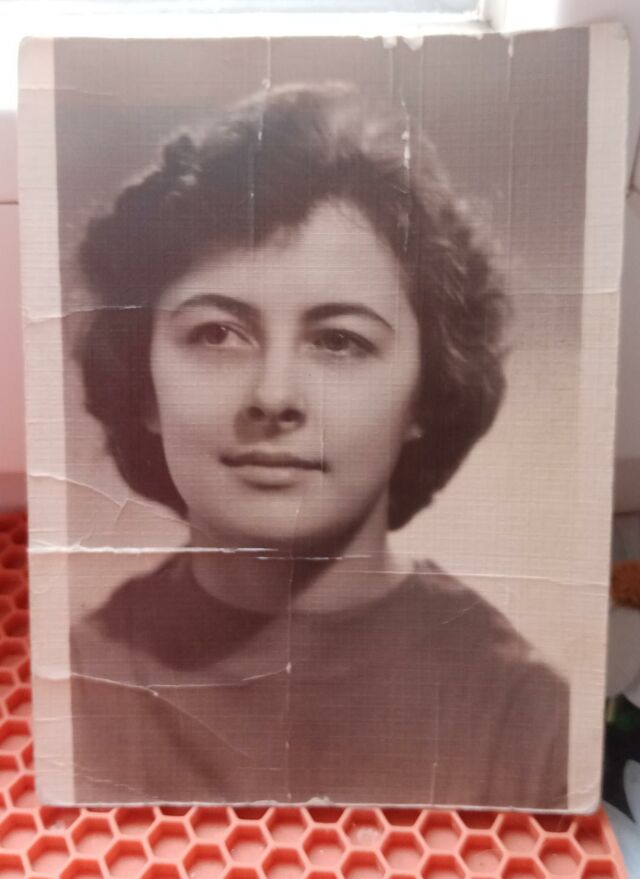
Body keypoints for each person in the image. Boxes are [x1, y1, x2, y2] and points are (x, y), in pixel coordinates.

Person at [71, 82, 568, 807]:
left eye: (339, 341)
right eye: (217, 333)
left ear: (426, 393)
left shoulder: (527, 719)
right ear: (143, 382)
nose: (274, 396)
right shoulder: (79, 678)